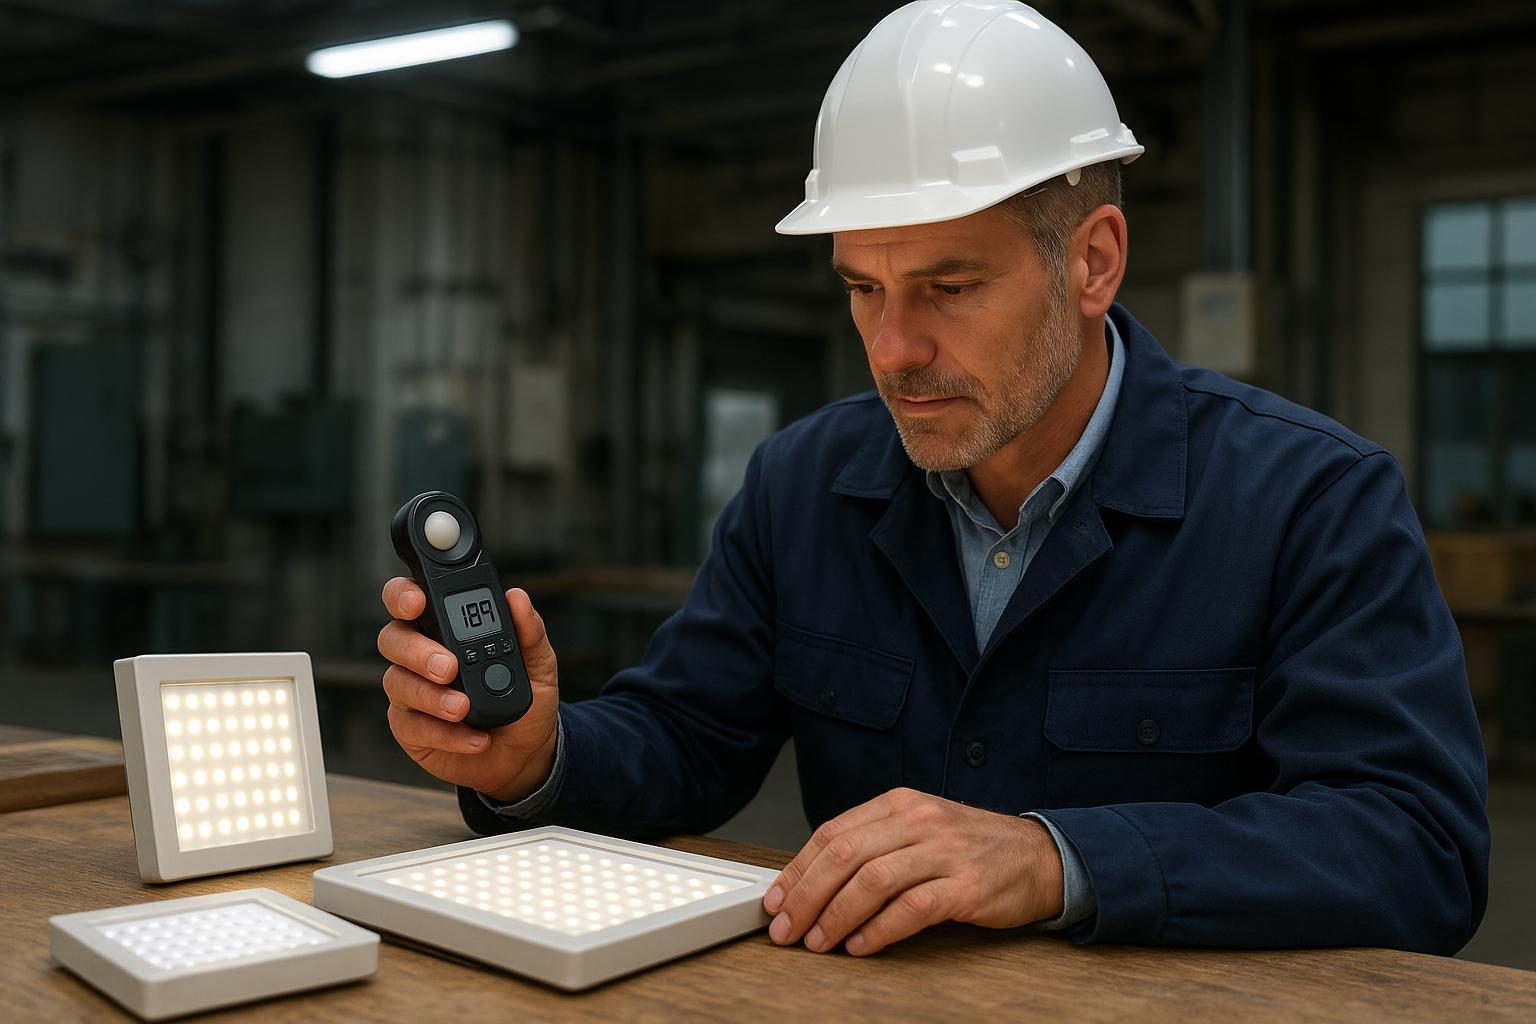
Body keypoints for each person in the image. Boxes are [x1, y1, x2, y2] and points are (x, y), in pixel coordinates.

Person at [376, 0, 1488, 957]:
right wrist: (537, 757)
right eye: (863, 288)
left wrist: (1057, 860)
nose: (894, 349)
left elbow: (1416, 844)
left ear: (1094, 260)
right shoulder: (801, 486)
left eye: (950, 288)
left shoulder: (1310, 501)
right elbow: (685, 740)